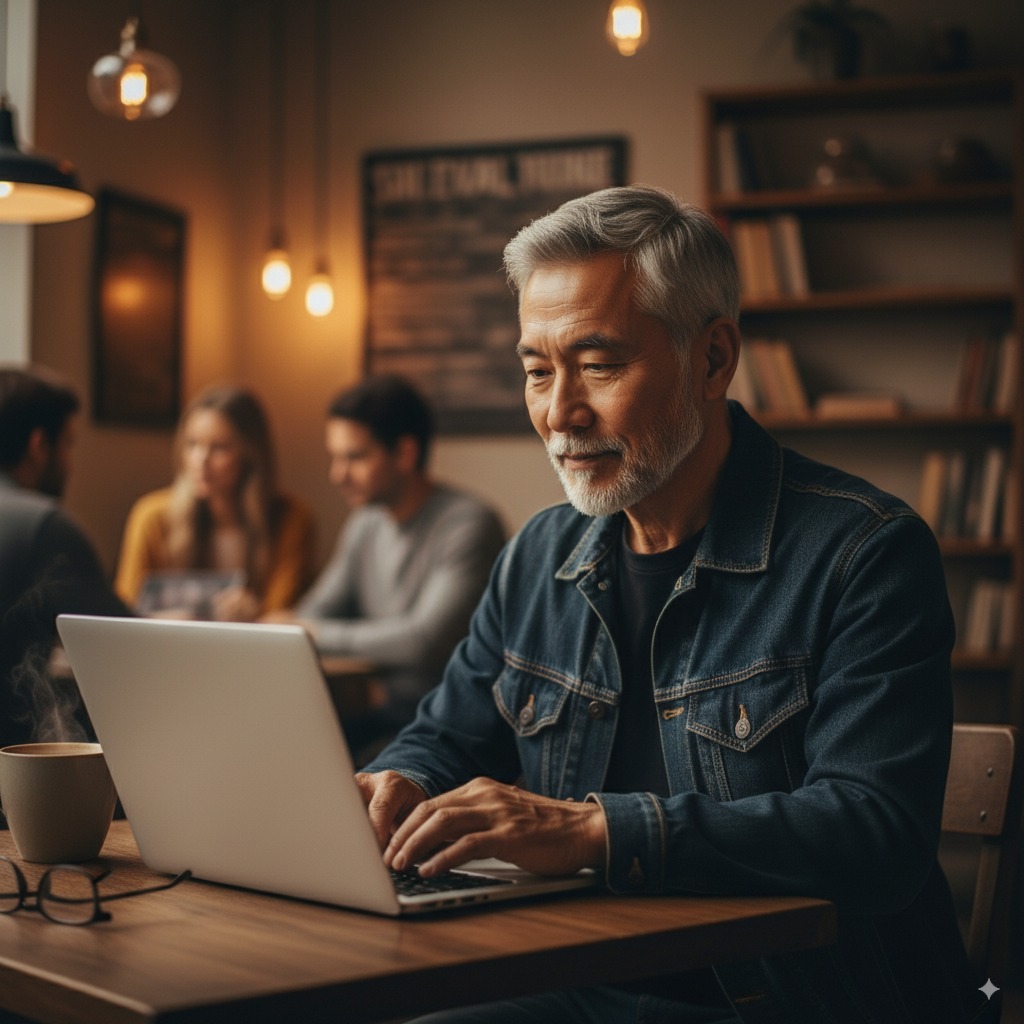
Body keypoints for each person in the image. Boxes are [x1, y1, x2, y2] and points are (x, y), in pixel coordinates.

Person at [355, 186, 988, 1023]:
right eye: (538, 372)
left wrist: (592, 833)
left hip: (800, 1001)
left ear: (714, 359)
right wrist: (399, 781)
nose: (559, 415)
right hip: (577, 980)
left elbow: (874, 835)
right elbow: (446, 733)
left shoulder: (866, 552)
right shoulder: (538, 554)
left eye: (600, 365)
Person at [281, 374, 506, 757]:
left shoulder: (470, 523)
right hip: (374, 708)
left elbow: (421, 643)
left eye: (355, 457)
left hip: (447, 722)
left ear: (404, 453)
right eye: (335, 458)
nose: (338, 475)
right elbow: (315, 611)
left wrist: (311, 632)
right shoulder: (365, 524)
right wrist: (306, 627)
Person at [0, 365, 131, 750]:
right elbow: (131, 649)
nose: (70, 463)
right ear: (40, 445)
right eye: (69, 443)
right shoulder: (43, 526)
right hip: (14, 786)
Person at [115, 384, 315, 621]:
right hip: (168, 649)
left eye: (219, 448)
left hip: (249, 651)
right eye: (192, 445)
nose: (201, 460)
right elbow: (124, 608)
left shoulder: (292, 519)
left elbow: (284, 612)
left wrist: (256, 611)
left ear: (251, 455)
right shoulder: (151, 516)